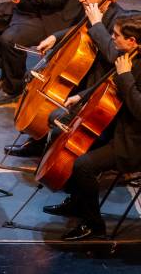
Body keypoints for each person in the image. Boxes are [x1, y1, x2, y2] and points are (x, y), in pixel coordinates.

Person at [4, 0, 130, 159]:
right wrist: (56, 37)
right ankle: (39, 140)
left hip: (98, 84)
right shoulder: (93, 9)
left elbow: (114, 56)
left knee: (57, 101)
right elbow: (80, 29)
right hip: (85, 73)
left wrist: (97, 25)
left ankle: (48, 144)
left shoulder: (119, 20)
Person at [40, 15, 141, 240]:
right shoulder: (129, 56)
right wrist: (82, 97)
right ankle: (78, 203)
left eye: (116, 36)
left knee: (83, 164)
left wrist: (125, 77)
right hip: (115, 125)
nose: (111, 39)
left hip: (132, 141)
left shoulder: (129, 65)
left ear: (132, 40)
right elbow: (108, 82)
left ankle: (94, 225)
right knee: (64, 135)